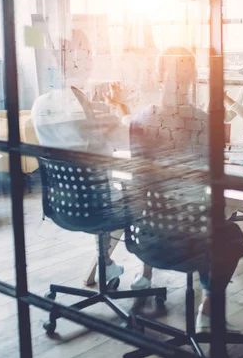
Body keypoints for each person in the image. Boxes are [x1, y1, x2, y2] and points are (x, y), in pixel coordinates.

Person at [129, 45, 243, 333]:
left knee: (212, 223)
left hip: (147, 235)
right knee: (230, 232)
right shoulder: (204, 122)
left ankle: (148, 275)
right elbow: (210, 182)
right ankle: (208, 307)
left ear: (159, 76)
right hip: (190, 240)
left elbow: (137, 184)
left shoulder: (140, 119)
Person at [31, 87, 153, 291]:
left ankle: (106, 265)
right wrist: (121, 108)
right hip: (96, 209)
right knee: (146, 199)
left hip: (62, 207)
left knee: (102, 196)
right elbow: (132, 137)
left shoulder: (45, 115)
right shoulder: (92, 121)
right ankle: (146, 272)